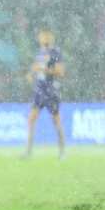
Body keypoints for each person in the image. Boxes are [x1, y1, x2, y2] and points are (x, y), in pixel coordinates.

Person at [23, 29, 66, 159]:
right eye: (42, 36)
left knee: (56, 121)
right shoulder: (40, 53)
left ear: (51, 38)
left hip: (50, 90)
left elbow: (60, 72)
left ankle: (62, 152)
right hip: (40, 90)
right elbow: (36, 67)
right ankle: (28, 152)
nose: (44, 38)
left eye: (46, 36)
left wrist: (43, 69)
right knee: (31, 119)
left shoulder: (55, 53)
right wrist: (31, 74)